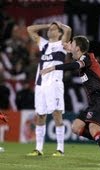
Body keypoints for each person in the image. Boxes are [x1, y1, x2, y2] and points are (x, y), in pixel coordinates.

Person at [40, 35, 100, 165]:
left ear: (78, 47)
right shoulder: (82, 57)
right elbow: (75, 58)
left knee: (93, 127)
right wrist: (68, 48)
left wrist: (53, 67)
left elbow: (76, 64)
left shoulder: (87, 58)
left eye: (72, 44)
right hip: (94, 101)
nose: (69, 45)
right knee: (76, 127)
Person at [26, 21, 71, 156]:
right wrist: (47, 25)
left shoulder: (62, 45)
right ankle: (38, 148)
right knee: (40, 115)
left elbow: (68, 29)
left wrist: (59, 24)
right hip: (40, 84)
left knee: (56, 114)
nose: (50, 31)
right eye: (49, 30)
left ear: (59, 33)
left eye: (53, 29)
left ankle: (60, 149)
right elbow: (30, 29)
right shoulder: (43, 44)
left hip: (54, 84)